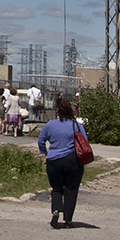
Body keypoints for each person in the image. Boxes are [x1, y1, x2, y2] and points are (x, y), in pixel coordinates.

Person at [37, 98, 88, 229]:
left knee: (57, 188)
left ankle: (55, 210)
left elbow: (41, 139)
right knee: (71, 189)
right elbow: (85, 141)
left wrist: (45, 152)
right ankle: (68, 220)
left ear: (58, 113)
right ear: (71, 113)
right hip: (72, 160)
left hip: (53, 160)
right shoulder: (76, 125)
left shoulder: (50, 125)